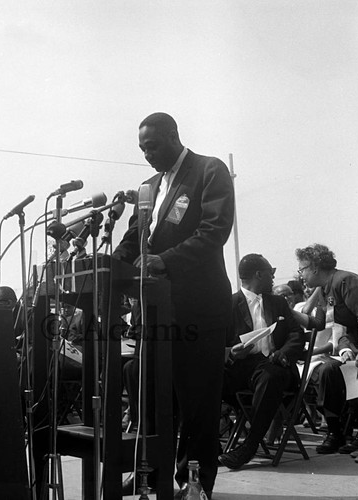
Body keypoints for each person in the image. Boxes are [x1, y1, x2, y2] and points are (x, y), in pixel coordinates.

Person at [113, 112, 234, 498]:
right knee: (151, 397)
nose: (147, 155)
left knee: (197, 403)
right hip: (155, 313)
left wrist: (168, 260)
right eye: (142, 149)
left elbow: (214, 231)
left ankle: (196, 483)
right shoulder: (148, 187)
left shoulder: (208, 171)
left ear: (173, 136)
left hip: (199, 310)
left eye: (153, 146)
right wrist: (107, 267)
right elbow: (134, 238)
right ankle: (151, 471)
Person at [296, 243, 358, 462]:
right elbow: (317, 322)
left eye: (302, 269)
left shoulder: (347, 281)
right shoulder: (327, 288)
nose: (301, 275)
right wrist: (289, 312)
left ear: (315, 267)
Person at [217, 254, 305, 469]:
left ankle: (249, 446)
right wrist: (230, 351)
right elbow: (217, 341)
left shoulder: (278, 302)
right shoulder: (228, 304)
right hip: (241, 366)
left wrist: (283, 352)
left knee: (270, 377)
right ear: (258, 274)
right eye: (270, 273)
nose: (273, 277)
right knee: (204, 378)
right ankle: (211, 444)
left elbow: (296, 334)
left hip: (274, 365)